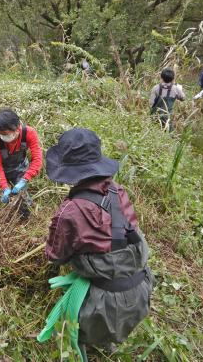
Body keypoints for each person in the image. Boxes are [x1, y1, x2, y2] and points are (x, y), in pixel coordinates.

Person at [38, 128, 153, 361]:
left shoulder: (71, 210)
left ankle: (90, 341)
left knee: (80, 333)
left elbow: (55, 254)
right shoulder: (117, 191)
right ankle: (108, 340)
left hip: (104, 305)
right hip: (141, 291)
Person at [0, 108, 42, 219]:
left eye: (5, 134)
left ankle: (25, 218)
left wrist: (25, 179)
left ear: (17, 128)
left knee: (22, 195)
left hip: (19, 167)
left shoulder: (29, 133)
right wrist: (5, 187)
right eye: (0, 134)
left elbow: (37, 159)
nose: (3, 137)